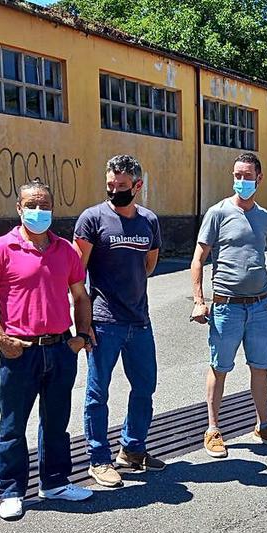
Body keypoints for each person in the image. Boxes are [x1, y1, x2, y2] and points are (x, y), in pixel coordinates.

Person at [0, 180, 95, 522]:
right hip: (19, 352)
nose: (39, 212)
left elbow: (81, 297)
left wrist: (81, 336)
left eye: (45, 206)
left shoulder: (66, 251)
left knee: (56, 423)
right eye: (32, 205)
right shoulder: (0, 248)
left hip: (59, 348)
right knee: (12, 426)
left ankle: (54, 482)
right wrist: (1, 339)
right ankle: (11, 491)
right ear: (19, 209)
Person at [190, 152, 267, 458]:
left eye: (248, 176)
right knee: (219, 368)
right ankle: (213, 430)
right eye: (237, 175)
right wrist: (199, 300)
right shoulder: (217, 214)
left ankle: (263, 425)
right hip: (226, 308)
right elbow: (198, 260)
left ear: (259, 179)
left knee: (260, 369)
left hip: (261, 307)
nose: (242, 181)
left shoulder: (264, 217)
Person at [74, 155, 164, 487]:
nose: (115, 191)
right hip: (104, 322)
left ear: (138, 186)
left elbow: (149, 265)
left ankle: (133, 449)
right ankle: (99, 459)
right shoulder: (91, 219)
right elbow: (75, 275)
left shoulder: (149, 221)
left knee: (145, 387)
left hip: (139, 321)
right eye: (110, 185)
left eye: (122, 186)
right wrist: (83, 326)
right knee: (98, 393)